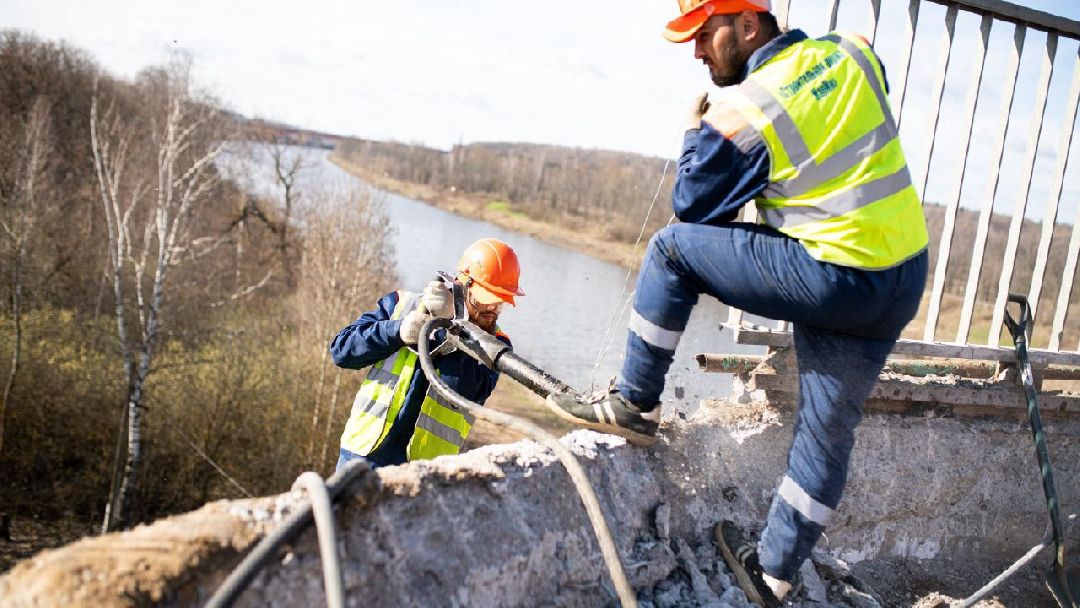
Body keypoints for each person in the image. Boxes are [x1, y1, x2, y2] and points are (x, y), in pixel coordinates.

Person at [547, 1, 929, 604]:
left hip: (832, 274)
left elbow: (693, 206)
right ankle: (773, 576)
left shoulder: (748, 108)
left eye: (704, 35)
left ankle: (634, 404)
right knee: (828, 432)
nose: (698, 52)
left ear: (748, 26)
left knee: (670, 251)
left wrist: (694, 133)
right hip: (900, 276)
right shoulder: (852, 49)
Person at [331, 238, 523, 470]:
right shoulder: (401, 305)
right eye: (487, 300)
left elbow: (466, 390)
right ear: (463, 284)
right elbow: (342, 351)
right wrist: (397, 331)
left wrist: (448, 329)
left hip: (425, 472)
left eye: (501, 303)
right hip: (362, 455)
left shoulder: (495, 345)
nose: (493, 309)